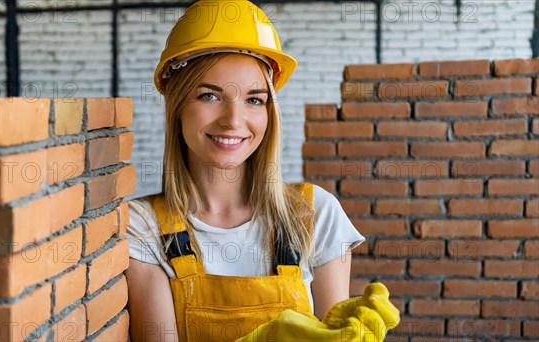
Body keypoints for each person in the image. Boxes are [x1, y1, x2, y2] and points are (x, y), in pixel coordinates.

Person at [124, 1, 398, 341]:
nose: (234, 120)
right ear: (177, 105)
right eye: (209, 96)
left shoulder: (314, 214)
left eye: (254, 100)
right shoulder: (142, 228)